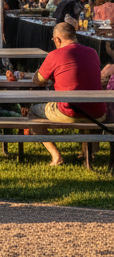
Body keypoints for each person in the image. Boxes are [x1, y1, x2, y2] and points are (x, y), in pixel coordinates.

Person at [25, 22, 107, 165]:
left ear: (57, 39)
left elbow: (38, 81)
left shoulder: (55, 55)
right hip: (98, 112)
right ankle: (89, 154)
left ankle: (56, 156)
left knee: (32, 111)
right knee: (85, 104)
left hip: (69, 111)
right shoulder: (92, 52)